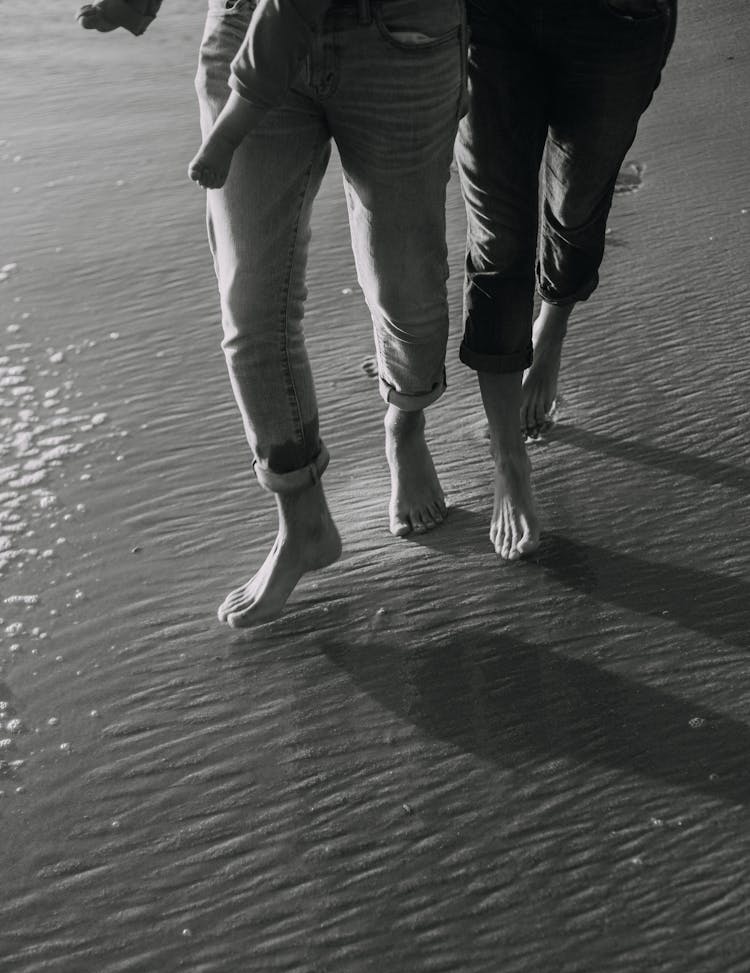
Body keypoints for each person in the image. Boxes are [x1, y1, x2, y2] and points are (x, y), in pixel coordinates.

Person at [76, 0, 467, 626]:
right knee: (250, 308)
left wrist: (229, 131)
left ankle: (406, 422)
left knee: (407, 291)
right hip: (243, 25)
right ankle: (303, 522)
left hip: (403, 38)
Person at [455, 0, 677, 560]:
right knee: (498, 237)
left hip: (618, 16)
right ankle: (509, 456)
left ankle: (550, 325)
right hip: (484, 16)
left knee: (576, 203)